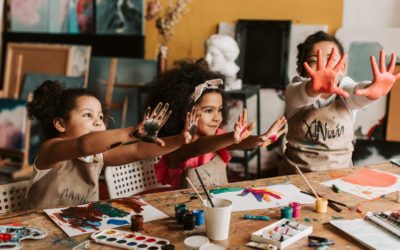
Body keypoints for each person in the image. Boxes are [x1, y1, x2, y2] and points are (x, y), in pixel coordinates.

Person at [24, 80, 197, 210]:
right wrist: (131, 132)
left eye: (100, 116)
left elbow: (137, 150)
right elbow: (82, 145)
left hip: (76, 229)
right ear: (61, 124)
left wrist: (179, 140)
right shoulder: (51, 149)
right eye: (87, 115)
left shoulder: (97, 155)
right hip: (38, 232)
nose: (98, 122)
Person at [146, 60, 287, 189]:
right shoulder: (175, 147)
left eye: (219, 110)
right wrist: (233, 137)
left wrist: (260, 139)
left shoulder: (218, 138)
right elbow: (199, 147)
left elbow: (237, 143)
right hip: (185, 211)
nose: (217, 118)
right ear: (184, 112)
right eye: (208, 110)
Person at [282, 31, 400, 174]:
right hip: (297, 177)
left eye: (331, 60)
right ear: (303, 68)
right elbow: (298, 95)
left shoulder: (345, 86)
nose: (324, 66)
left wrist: (370, 91)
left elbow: (355, 93)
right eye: (315, 60)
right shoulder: (296, 88)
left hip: (339, 177)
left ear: (342, 67)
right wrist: (312, 89)